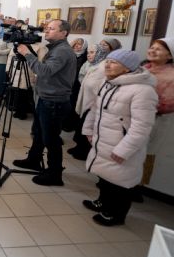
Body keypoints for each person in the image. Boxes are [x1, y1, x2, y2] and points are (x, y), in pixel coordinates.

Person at [81, 49, 158, 226]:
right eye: (107, 61)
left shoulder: (143, 91)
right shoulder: (108, 83)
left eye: (114, 62)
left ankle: (116, 215)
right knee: (105, 176)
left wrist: (124, 150)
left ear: (127, 68)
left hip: (121, 144)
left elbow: (142, 127)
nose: (107, 64)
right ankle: (102, 202)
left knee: (121, 182)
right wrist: (88, 130)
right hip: (104, 140)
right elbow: (95, 109)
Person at [13, 19, 77, 186]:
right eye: (47, 28)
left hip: (54, 101)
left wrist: (27, 54)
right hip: (47, 98)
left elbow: (45, 71)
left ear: (64, 33)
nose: (46, 31)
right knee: (39, 133)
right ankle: (33, 160)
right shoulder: (55, 48)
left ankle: (54, 174)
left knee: (51, 139)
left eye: (51, 29)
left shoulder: (62, 51)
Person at [141, 38, 174, 185]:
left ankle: (136, 187)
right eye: (152, 47)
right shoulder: (143, 69)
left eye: (158, 49)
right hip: (134, 118)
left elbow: (168, 104)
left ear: (169, 55)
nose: (152, 51)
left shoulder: (171, 76)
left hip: (154, 122)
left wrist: (139, 104)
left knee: (145, 153)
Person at [69, 44, 110, 160]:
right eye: (88, 52)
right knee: (81, 125)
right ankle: (79, 147)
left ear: (100, 54)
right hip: (86, 100)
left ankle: (84, 151)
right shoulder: (92, 65)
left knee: (87, 128)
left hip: (92, 104)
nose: (88, 55)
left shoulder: (102, 68)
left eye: (92, 52)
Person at [63, 38, 88, 132]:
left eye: (80, 44)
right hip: (66, 83)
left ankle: (70, 124)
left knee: (73, 103)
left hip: (77, 85)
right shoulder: (69, 54)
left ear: (84, 46)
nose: (77, 46)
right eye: (75, 44)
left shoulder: (86, 57)